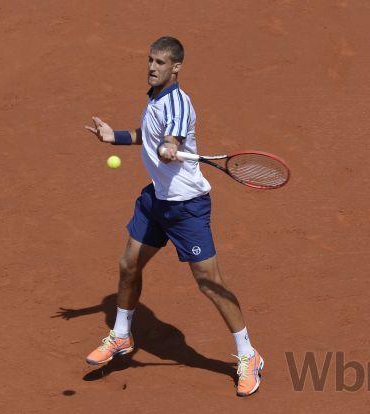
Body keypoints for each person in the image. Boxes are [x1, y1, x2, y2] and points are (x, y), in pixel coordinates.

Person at [83, 36, 263, 397]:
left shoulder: (179, 103)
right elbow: (150, 139)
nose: (152, 67)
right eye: (150, 60)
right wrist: (113, 137)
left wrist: (171, 146)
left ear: (176, 67)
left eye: (161, 63)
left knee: (209, 283)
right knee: (128, 264)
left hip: (186, 208)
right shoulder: (154, 98)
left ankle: (249, 355)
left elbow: (170, 140)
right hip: (157, 200)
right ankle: (121, 335)